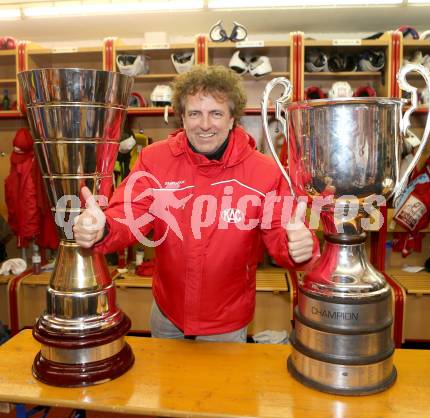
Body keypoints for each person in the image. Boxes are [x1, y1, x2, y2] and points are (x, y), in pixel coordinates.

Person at [73, 65, 319, 342]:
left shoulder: (264, 172)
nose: (205, 124)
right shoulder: (155, 160)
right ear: (182, 117)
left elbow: (280, 230)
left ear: (232, 119)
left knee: (220, 386)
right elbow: (130, 212)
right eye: (195, 113)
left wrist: (297, 245)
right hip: (167, 313)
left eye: (216, 113)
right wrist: (103, 227)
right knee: (167, 386)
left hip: (226, 321)